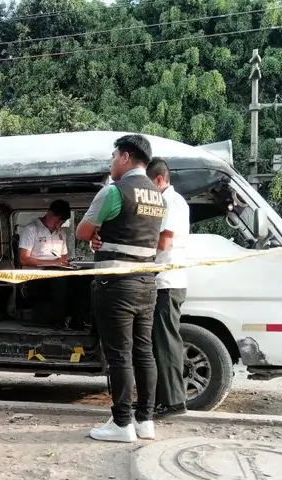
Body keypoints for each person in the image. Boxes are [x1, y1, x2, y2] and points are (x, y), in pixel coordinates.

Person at [75, 134, 165, 442]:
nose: (112, 162)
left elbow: (83, 230)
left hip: (116, 285)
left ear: (126, 157)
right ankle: (145, 420)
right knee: (144, 352)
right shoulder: (157, 195)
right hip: (147, 282)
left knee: (119, 355)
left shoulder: (114, 191)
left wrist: (97, 233)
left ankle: (122, 423)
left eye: (114, 156)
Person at [145, 157, 190, 416]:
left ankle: (174, 402)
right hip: (163, 281)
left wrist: (137, 248)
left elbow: (163, 243)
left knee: (166, 343)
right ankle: (165, 399)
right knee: (159, 343)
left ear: (159, 180)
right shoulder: (168, 201)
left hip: (167, 282)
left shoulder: (171, 202)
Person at [17, 199, 89, 330]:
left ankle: (78, 320)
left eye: (61, 223)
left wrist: (66, 264)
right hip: (34, 278)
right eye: (57, 221)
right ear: (49, 213)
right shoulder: (31, 229)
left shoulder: (61, 233)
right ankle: (59, 321)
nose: (58, 225)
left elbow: (63, 258)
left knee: (82, 278)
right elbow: (24, 259)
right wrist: (53, 263)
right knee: (59, 280)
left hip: (56, 272)